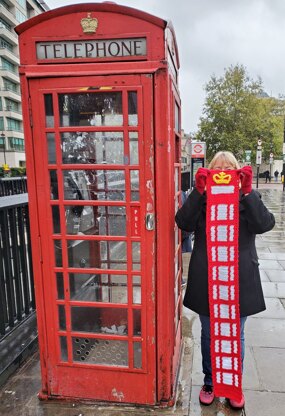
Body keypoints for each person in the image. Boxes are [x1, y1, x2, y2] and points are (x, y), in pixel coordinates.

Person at [175, 151, 275, 409]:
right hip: (208, 278)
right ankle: (210, 381)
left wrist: (248, 192)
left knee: (235, 334)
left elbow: (265, 224)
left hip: (238, 279)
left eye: (228, 168)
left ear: (238, 172)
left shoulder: (247, 198)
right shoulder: (202, 199)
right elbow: (182, 223)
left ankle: (233, 385)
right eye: (217, 168)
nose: (222, 173)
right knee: (209, 334)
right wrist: (197, 192)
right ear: (208, 173)